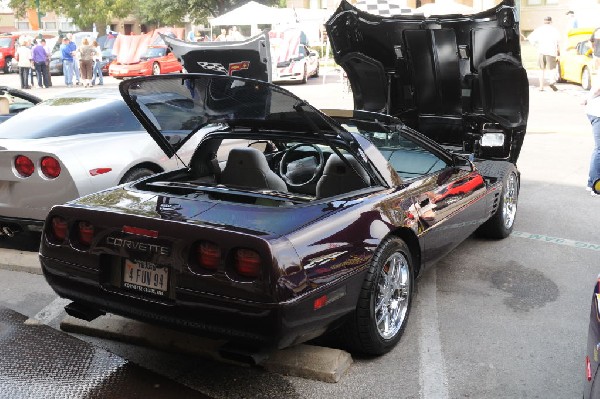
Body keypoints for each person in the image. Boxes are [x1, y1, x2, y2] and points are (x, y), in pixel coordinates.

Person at [527, 16, 561, 92]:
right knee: (551, 69)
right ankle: (551, 82)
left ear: (544, 21)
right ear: (551, 22)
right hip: (551, 52)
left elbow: (530, 39)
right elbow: (558, 43)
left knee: (541, 70)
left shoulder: (539, 29)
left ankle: (541, 87)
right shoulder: (554, 30)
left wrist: (536, 46)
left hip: (541, 52)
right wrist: (559, 53)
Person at [584, 75, 600, 196]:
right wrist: (588, 99)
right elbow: (597, 89)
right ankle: (594, 185)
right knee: (599, 149)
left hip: (594, 111)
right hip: (597, 113)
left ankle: (592, 183)